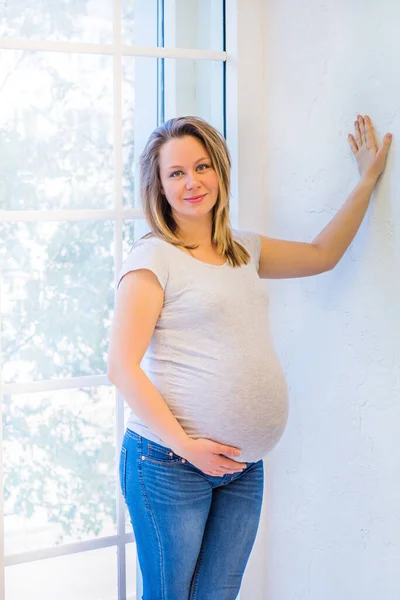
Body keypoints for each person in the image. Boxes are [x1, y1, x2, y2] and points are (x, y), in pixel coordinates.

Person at [107, 114, 392, 599]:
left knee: (218, 595)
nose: (192, 182)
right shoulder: (152, 259)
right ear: (158, 186)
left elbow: (323, 253)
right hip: (169, 463)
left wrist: (366, 180)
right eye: (176, 173)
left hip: (242, 466)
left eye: (202, 167)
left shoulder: (243, 249)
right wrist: (186, 445)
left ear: (219, 170)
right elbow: (121, 366)